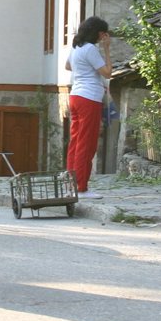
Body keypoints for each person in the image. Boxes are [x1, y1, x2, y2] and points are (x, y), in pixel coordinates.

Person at [65, 16, 112, 199]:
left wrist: (83, 68)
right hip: (89, 98)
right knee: (87, 143)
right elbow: (107, 73)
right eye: (103, 34)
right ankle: (81, 187)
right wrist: (107, 49)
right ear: (99, 33)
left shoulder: (77, 47)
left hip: (75, 95)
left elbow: (68, 66)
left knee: (75, 142)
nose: (104, 37)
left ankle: (71, 184)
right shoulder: (91, 49)